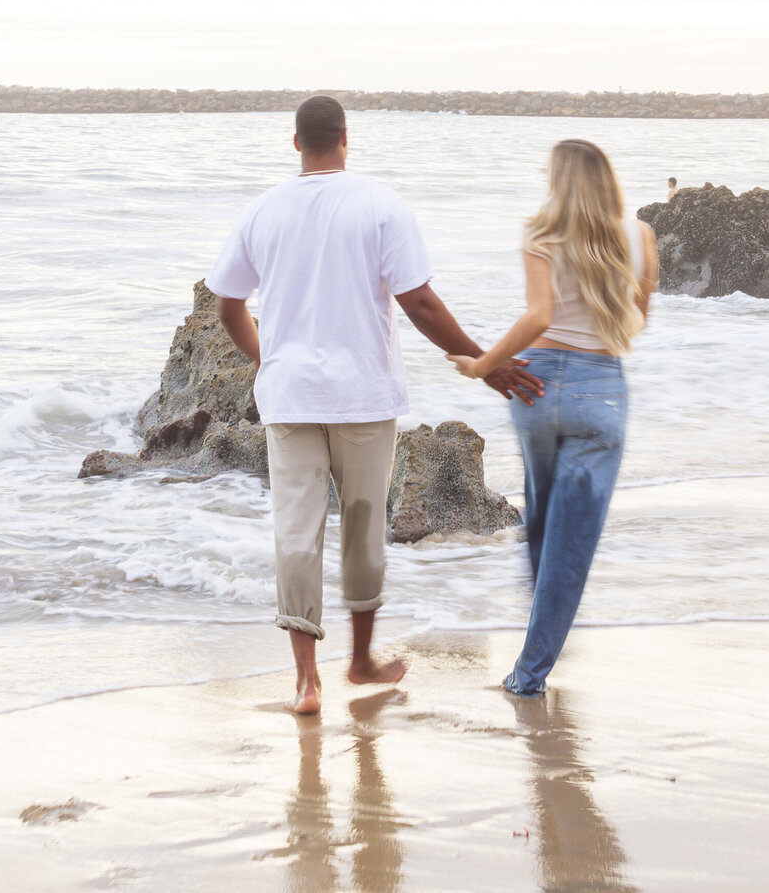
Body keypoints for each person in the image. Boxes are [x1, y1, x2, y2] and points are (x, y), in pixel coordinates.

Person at [207, 94, 544, 715]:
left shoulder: (260, 210)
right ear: (344, 137)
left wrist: (268, 362)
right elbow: (418, 304)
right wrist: (486, 364)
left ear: (295, 143)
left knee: (296, 531)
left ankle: (307, 682)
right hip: (362, 396)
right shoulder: (381, 205)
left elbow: (228, 304)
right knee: (363, 526)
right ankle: (360, 663)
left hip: (289, 400)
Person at [448, 139, 657, 696]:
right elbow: (639, 315)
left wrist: (482, 366)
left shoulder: (539, 233)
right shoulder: (640, 236)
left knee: (540, 524)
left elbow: (539, 316)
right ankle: (532, 669)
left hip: (537, 390)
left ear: (559, 182)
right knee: (570, 540)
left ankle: (545, 628)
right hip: (600, 390)